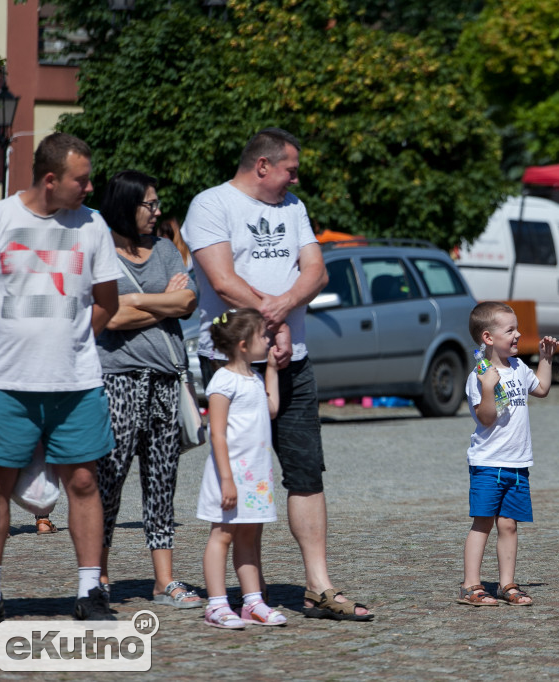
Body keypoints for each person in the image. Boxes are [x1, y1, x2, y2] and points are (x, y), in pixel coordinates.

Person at [183, 127, 373, 621]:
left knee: (306, 470)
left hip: (294, 357)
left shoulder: (293, 208)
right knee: (246, 472)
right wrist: (278, 322)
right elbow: (224, 283)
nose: (296, 177)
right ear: (262, 165)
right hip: (234, 359)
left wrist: (285, 310)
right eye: (290, 168)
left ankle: (319, 586)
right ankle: (250, 592)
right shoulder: (211, 205)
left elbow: (317, 271)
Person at [0, 132, 120, 621]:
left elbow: (108, 302)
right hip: (4, 379)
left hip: (76, 380)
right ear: (50, 180)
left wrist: (71, 340)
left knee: (84, 481)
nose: (89, 188)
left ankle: (90, 591)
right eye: (80, 180)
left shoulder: (93, 226)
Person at [96, 170, 202, 608]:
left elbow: (189, 301)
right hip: (117, 379)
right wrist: (162, 303)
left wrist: (137, 302)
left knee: (163, 480)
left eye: (157, 204)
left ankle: (165, 581)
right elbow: (110, 318)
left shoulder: (164, 251)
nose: (157, 211)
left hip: (165, 379)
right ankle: (96, 575)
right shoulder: (101, 252)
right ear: (126, 205)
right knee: (109, 480)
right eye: (150, 204)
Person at [458, 302, 558, 607]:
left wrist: (545, 358)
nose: (518, 334)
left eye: (517, 328)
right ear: (488, 338)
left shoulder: (518, 368)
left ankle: (506, 584)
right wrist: (488, 389)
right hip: (488, 464)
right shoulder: (480, 375)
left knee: (509, 525)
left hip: (517, 464)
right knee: (483, 523)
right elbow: (486, 418)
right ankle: (470, 585)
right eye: (510, 330)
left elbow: (541, 388)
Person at [198, 308, 285, 628]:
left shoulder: (255, 377)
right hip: (230, 476)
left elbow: (271, 408)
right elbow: (217, 433)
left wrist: (273, 371)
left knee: (248, 536)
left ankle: (253, 603)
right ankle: (217, 604)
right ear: (244, 345)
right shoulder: (223, 381)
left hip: (255, 477)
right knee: (221, 536)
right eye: (263, 335)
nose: (268, 339)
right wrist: (227, 480)